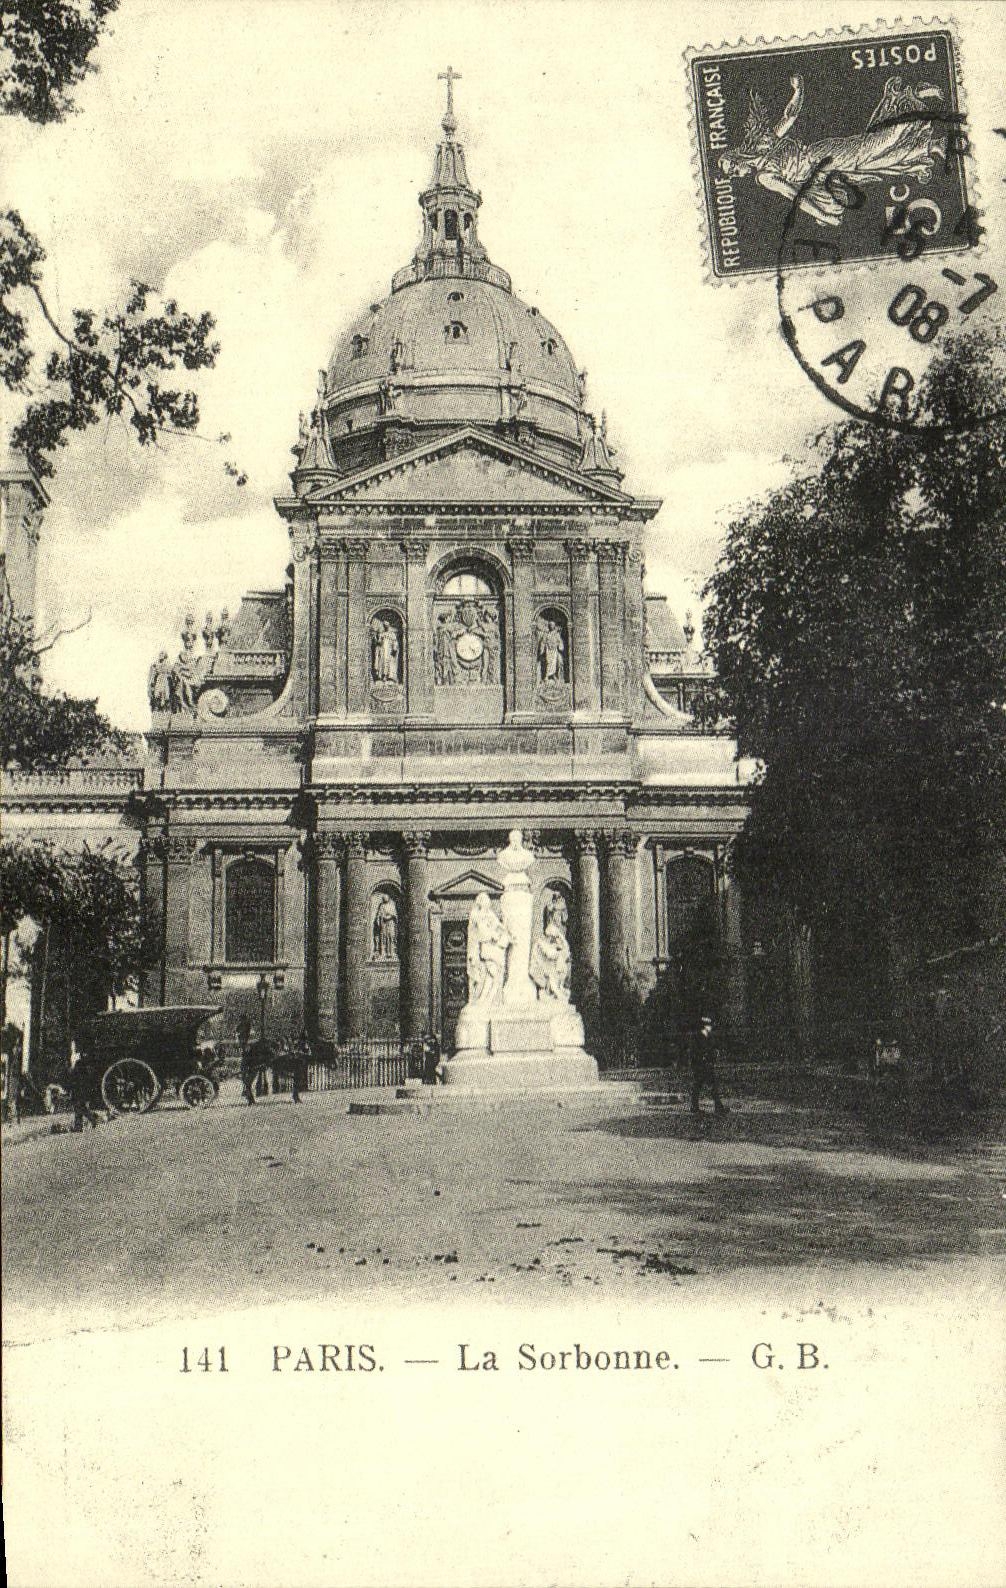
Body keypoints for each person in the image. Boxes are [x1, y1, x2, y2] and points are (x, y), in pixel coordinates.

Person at [689, 1015, 728, 1117]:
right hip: (700, 1065)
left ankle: (698, 1107)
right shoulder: (698, 1036)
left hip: (706, 1064)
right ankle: (714, 1107)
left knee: (705, 1085)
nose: (710, 1027)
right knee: (701, 1085)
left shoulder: (707, 1035)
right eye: (708, 1025)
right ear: (704, 1026)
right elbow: (695, 1051)